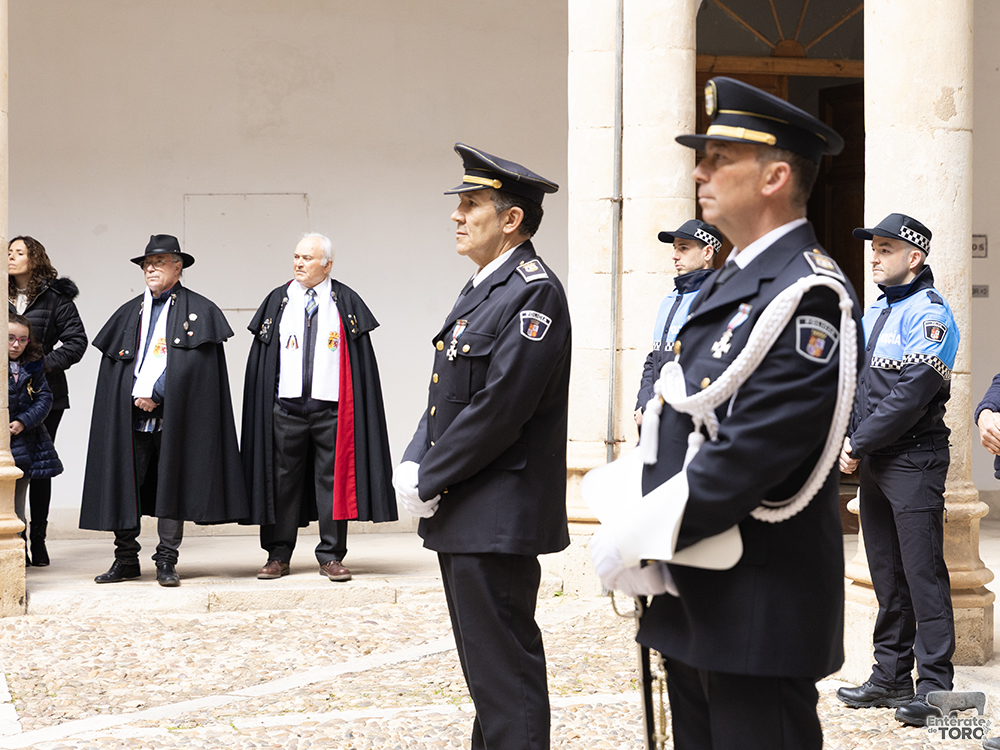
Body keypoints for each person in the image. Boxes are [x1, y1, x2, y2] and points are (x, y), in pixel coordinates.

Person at [590, 77, 861, 749]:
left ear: (774, 176)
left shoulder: (809, 294)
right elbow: (681, 414)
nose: (698, 171)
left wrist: (647, 534)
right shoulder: (733, 280)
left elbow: (755, 452)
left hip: (758, 604)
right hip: (700, 591)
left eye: (719, 159)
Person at [394, 143, 571, 750]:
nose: (457, 215)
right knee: (487, 673)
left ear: (511, 219)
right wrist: (416, 457)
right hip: (471, 505)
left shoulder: (533, 292)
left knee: (505, 671)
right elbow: (449, 389)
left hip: (499, 507)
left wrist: (430, 476)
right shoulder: (485, 287)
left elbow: (501, 406)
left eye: (472, 205)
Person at [837, 213, 959, 727]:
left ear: (915, 257)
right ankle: (890, 675)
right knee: (886, 573)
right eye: (873, 248)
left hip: (914, 458)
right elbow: (859, 385)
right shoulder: (876, 313)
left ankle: (935, 690)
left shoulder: (931, 315)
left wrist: (858, 442)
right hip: (877, 461)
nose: (874, 256)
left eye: (885, 249)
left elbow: (911, 396)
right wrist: (846, 436)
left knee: (923, 575)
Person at [79, 234, 249, 587]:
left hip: (176, 417)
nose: (150, 268)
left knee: (173, 484)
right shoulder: (130, 313)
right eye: (146, 264)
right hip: (132, 419)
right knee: (126, 485)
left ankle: (166, 560)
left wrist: (157, 393)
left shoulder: (200, 311)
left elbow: (194, 366)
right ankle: (125, 558)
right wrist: (132, 395)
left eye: (159, 262)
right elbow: (118, 369)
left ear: (178, 266)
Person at [241, 233, 396, 582]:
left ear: (327, 264)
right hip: (286, 408)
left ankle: (330, 555)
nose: (298, 263)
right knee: (281, 482)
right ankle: (278, 555)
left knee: (333, 481)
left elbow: (360, 364)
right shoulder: (278, 300)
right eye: (296, 256)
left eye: (307, 258)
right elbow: (263, 361)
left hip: (331, 410)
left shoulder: (345, 300)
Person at [8, 236, 87, 566]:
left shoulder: (57, 298)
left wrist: (41, 365)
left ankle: (37, 541)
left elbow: (77, 341)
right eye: (8, 253)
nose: (11, 257)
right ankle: (14, 539)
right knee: (10, 470)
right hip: (7, 397)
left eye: (19, 252)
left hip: (45, 397)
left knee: (38, 468)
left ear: (34, 258)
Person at [634, 220, 722, 426]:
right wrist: (644, 403)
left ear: (707, 253)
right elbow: (654, 358)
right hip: (654, 415)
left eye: (683, 248)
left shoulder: (715, 299)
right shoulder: (670, 299)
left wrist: (657, 409)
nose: (674, 255)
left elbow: (702, 368)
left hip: (686, 420)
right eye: (675, 248)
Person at [7, 314, 63, 561]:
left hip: (25, 442)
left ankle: (21, 548)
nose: (16, 344)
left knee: (18, 499)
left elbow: (44, 398)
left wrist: (23, 422)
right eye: (10, 338)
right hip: (2, 441)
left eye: (22, 340)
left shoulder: (33, 364)